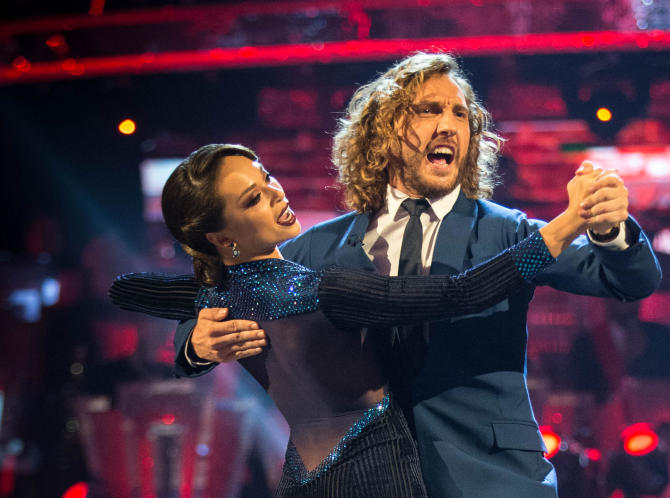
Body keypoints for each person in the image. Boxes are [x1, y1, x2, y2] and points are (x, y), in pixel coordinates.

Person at [177, 52, 661, 497]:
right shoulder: (318, 248)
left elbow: (628, 279)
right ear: (385, 130)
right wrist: (197, 345)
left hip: (492, 479)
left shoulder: (505, 231)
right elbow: (210, 303)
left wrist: (609, 227)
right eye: (430, 110)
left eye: (460, 114)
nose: (449, 125)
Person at [111, 143, 601, 496]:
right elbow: (463, 293)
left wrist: (195, 345)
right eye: (253, 199)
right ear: (220, 237)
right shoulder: (319, 290)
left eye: (265, 177)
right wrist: (563, 228)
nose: (275, 193)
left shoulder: (215, 295)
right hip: (373, 471)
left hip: (301, 478)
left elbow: (127, 288)